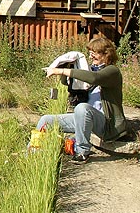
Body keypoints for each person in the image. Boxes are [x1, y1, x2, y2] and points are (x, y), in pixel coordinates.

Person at [36, 36, 128, 164]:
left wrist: (62, 70)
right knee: (46, 120)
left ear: (106, 54)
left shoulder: (112, 72)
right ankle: (34, 151)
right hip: (84, 119)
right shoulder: (91, 69)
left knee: (82, 108)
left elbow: (94, 78)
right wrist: (66, 70)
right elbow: (68, 83)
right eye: (89, 54)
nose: (90, 57)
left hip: (107, 123)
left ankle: (82, 152)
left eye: (94, 54)